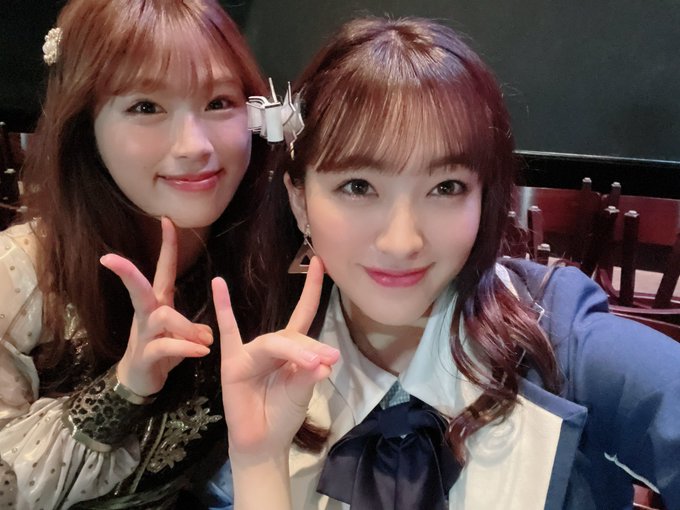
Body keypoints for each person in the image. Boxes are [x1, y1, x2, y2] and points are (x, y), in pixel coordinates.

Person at [206, 16, 680, 510]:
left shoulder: (561, 347)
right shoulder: (257, 362)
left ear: (484, 196)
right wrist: (259, 462)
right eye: (358, 186)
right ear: (300, 201)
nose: (401, 242)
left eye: (445, 187)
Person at [0, 0, 269, 508]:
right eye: (146, 107)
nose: (194, 146)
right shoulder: (19, 273)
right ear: (85, 125)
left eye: (219, 102)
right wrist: (124, 389)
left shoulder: (267, 249)